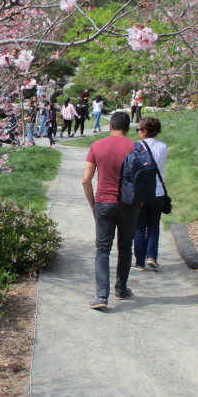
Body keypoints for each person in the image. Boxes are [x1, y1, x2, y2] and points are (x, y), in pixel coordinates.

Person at [81, 112, 140, 309]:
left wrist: (92, 203)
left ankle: (101, 296)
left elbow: (86, 180)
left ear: (110, 126)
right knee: (125, 248)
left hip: (104, 203)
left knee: (102, 250)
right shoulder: (136, 147)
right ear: (128, 128)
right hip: (128, 204)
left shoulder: (97, 146)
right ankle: (121, 289)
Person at [132, 117, 168, 271]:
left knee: (139, 227)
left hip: (141, 191)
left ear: (145, 131)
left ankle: (139, 261)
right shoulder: (163, 147)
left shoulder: (137, 147)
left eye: (138, 129)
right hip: (158, 191)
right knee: (154, 224)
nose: (137, 132)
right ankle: (152, 256)